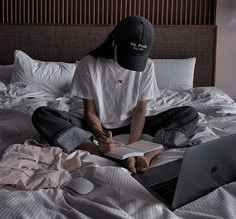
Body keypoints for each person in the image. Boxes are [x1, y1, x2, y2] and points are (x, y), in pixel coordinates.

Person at [32, 16, 199, 173]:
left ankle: (150, 154)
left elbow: (141, 110)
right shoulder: (89, 64)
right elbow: (90, 112)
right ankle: (99, 151)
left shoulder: (148, 66)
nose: (131, 64)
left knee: (189, 114)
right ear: (115, 41)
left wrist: (133, 149)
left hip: (133, 123)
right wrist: (101, 138)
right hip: (96, 124)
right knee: (42, 115)